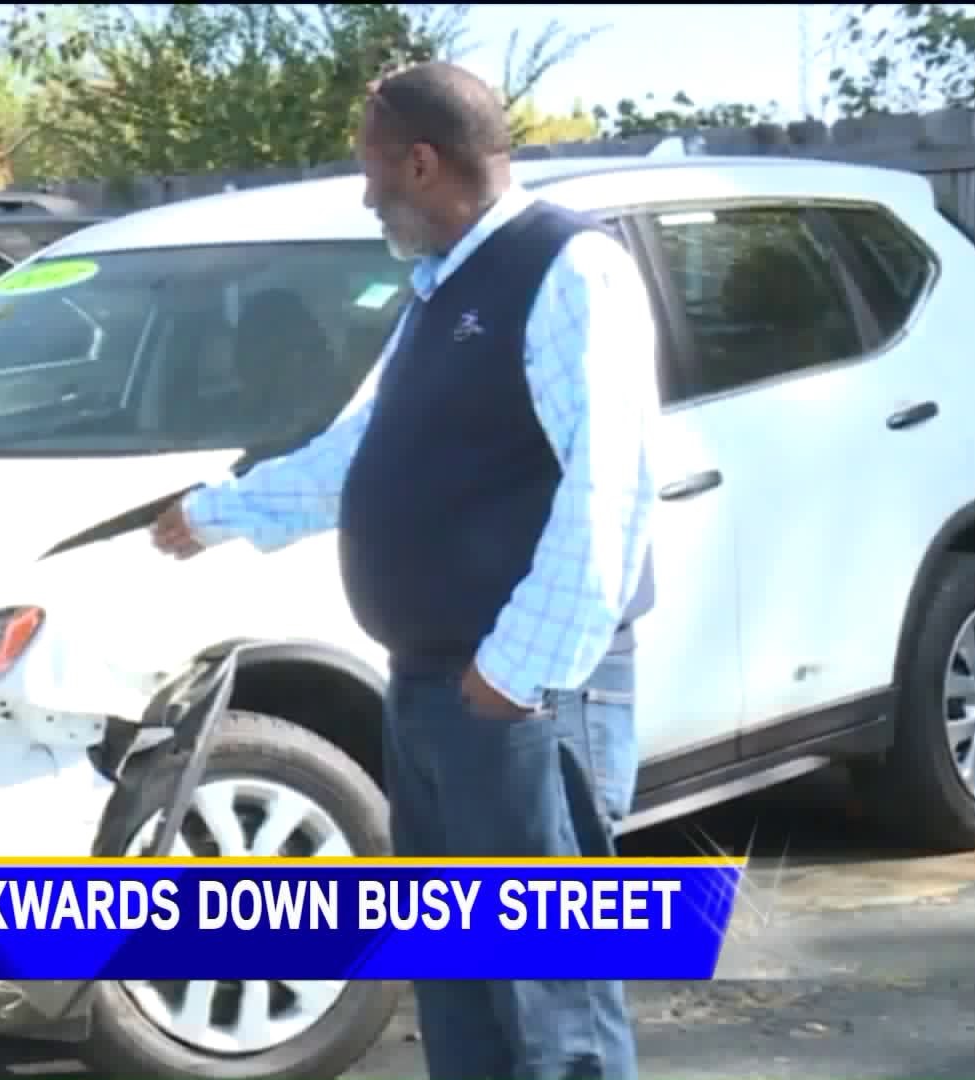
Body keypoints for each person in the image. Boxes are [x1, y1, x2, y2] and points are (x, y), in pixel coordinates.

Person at [150, 60, 660, 1080]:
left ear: (423, 163)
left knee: (547, 988)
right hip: (434, 684)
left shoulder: (565, 270)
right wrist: (217, 514)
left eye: (374, 168)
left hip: (521, 694)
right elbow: (366, 452)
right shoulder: (442, 289)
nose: (366, 191)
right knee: (465, 981)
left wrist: (518, 670)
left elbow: (609, 486)